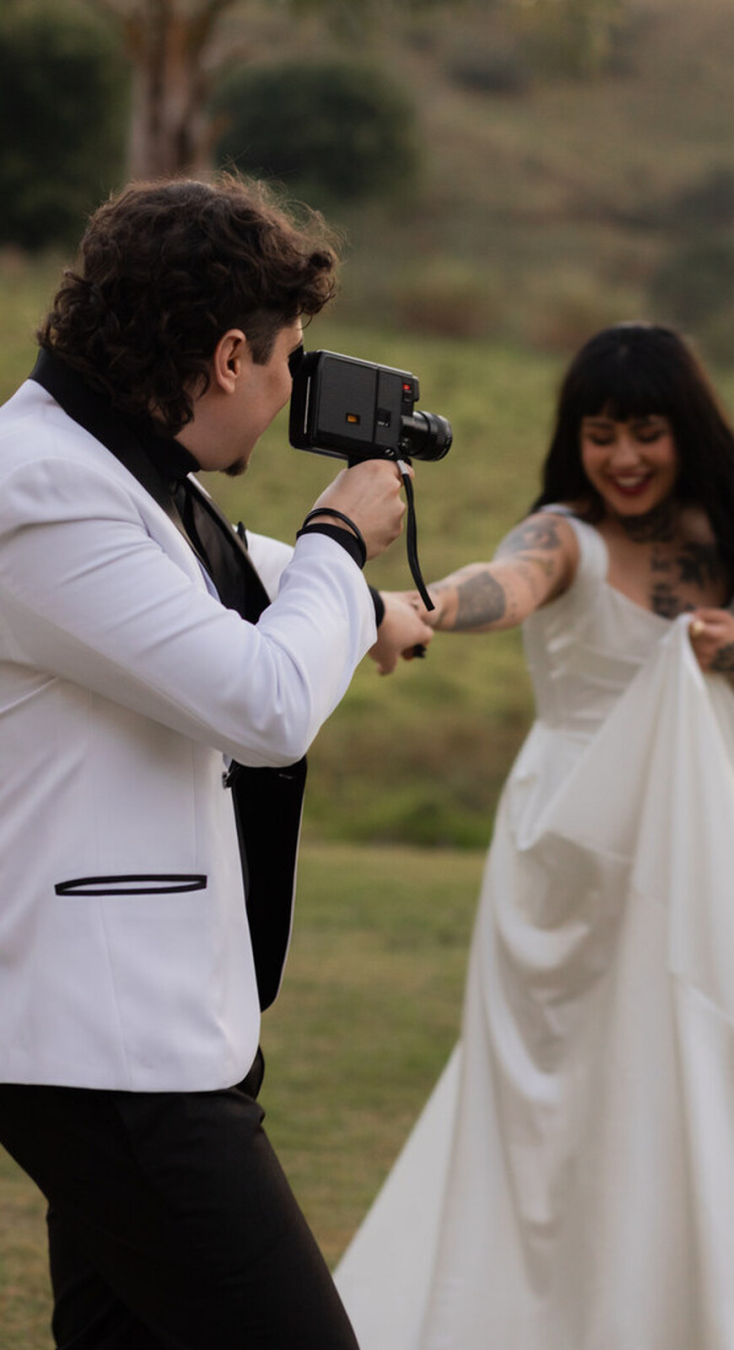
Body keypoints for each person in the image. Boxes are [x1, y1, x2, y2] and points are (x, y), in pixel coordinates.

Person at [335, 323, 734, 1349]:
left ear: (688, 432)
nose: (622, 458)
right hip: (575, 861)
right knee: (563, 1107)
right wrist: (425, 604)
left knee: (695, 1084)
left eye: (645, 432)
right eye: (599, 434)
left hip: (709, 842)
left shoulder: (728, 541)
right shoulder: (564, 534)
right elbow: (507, 585)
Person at [0, 175, 432, 1350]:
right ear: (232, 354)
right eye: (293, 362)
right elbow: (265, 702)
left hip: (140, 1031)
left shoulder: (117, 470)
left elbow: (223, 565)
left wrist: (363, 599)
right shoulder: (42, 492)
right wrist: (341, 539)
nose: (296, 392)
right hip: (111, 1048)